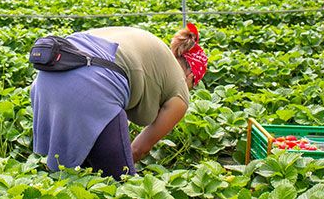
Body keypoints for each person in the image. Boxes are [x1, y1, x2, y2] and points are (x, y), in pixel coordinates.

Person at [31, 24, 208, 180]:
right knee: (118, 185)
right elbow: (139, 149)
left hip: (46, 76)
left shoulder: (153, 51)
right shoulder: (180, 91)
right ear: (191, 76)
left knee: (64, 179)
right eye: (193, 85)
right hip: (93, 86)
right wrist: (119, 167)